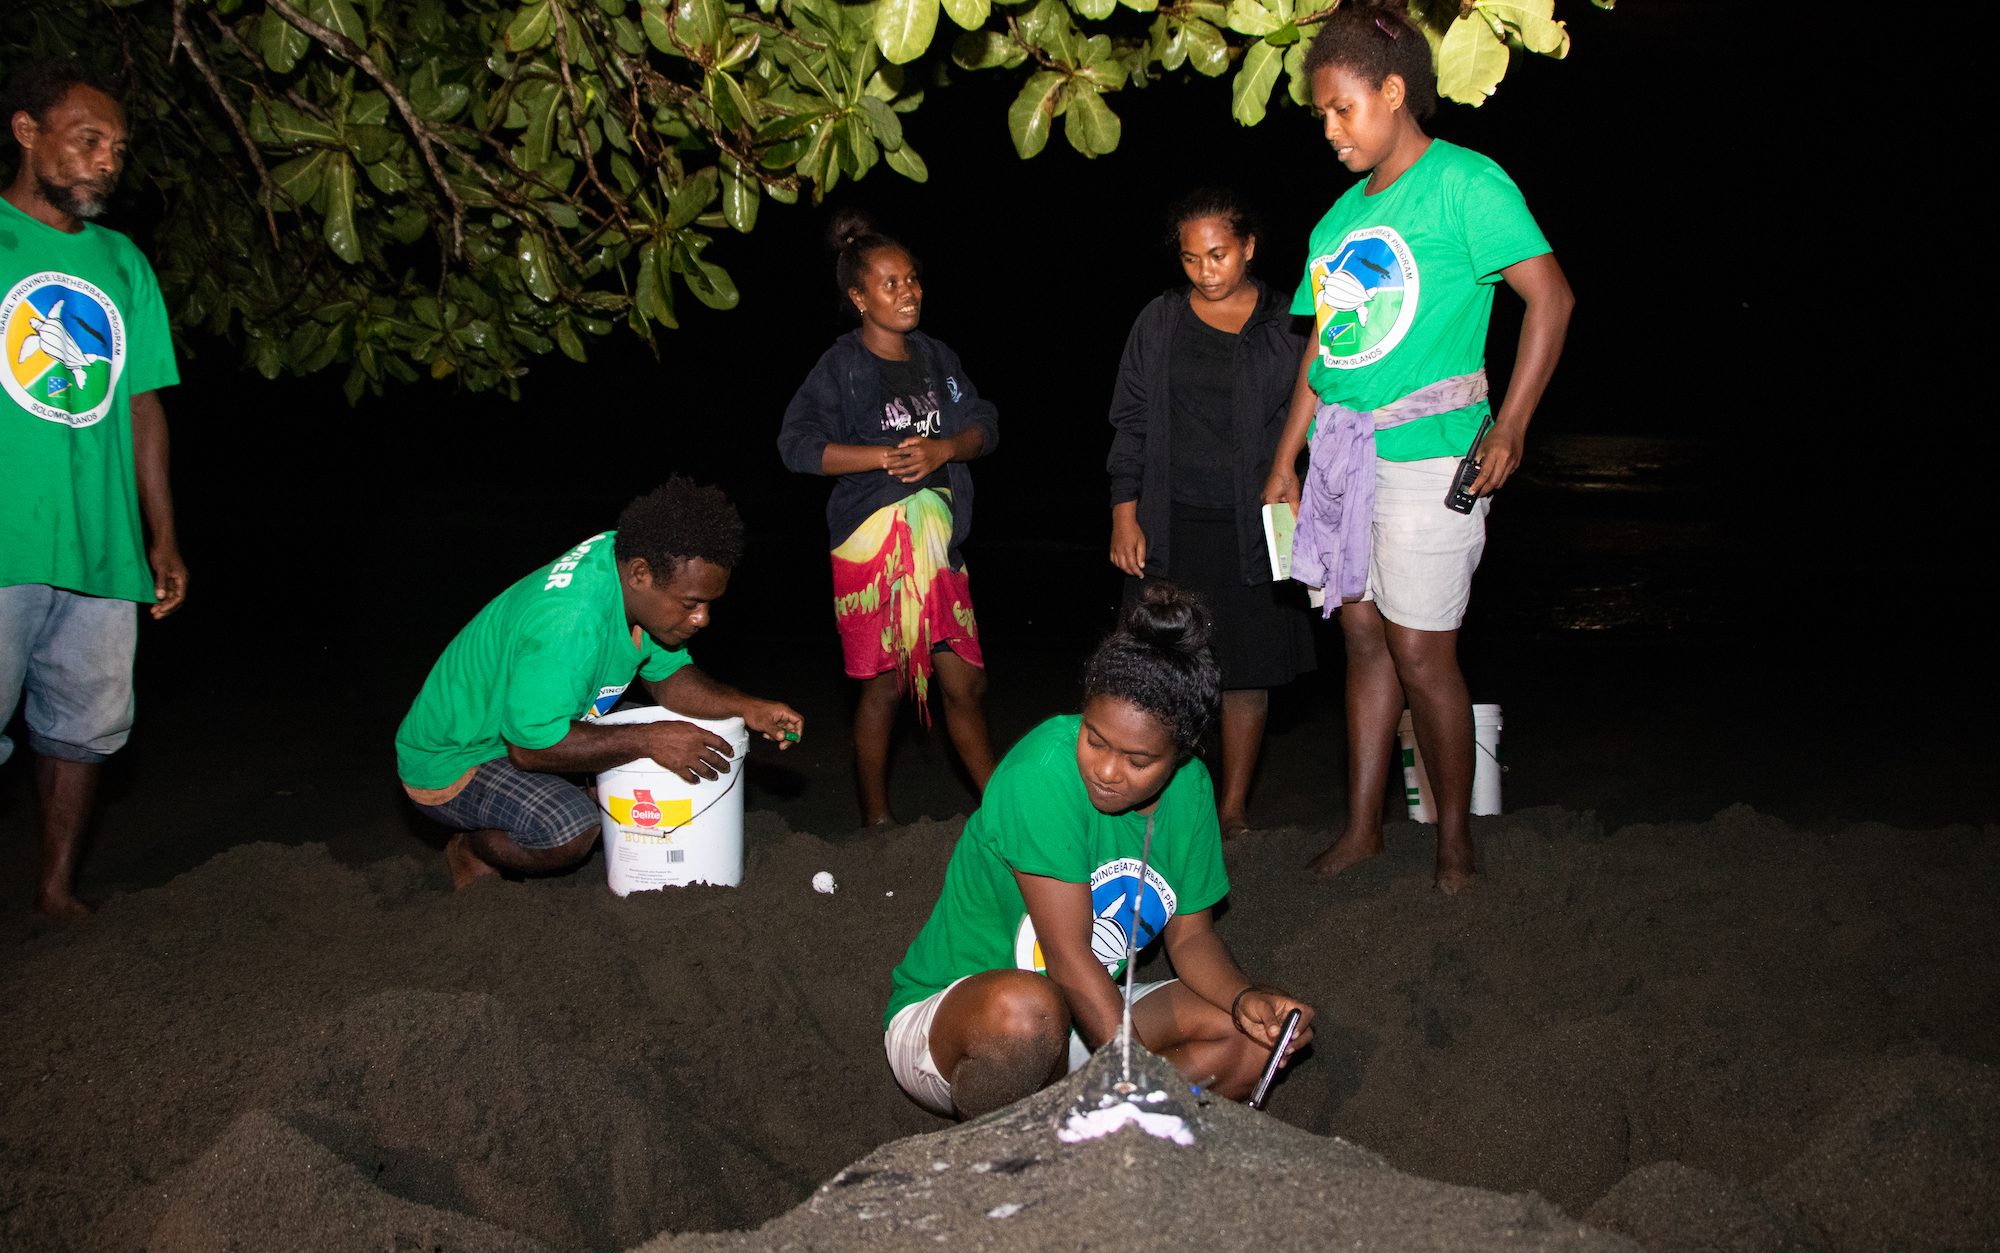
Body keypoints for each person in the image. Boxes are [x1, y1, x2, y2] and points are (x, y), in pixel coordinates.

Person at [1261, 1, 1574, 892]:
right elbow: (1323, 348)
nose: (1329, 128)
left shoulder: (1468, 184)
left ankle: (1453, 847)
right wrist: (1287, 459)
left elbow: (1550, 300)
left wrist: (1509, 424)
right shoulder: (1333, 222)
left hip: (1432, 456)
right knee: (1361, 643)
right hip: (1341, 460)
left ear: (1394, 93)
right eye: (1320, 114)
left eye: (1341, 108)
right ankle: (1362, 829)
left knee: (1422, 652)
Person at [883, 584, 1315, 1119]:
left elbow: (1194, 937)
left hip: (1084, 1019)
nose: (1107, 772)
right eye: (1095, 740)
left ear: (1182, 752)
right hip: (961, 1030)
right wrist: (1132, 1069)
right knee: (1028, 1011)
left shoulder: (1193, 789)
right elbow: (1067, 959)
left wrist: (1244, 998)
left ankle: (1079, 1121)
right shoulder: (1042, 776)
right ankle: (1020, 1148)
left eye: (1138, 761)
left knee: (1257, 1035)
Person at [395, 479, 804, 888]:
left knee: (667, 731)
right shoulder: (571, 622)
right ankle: (471, 850)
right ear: (640, 574)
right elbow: (529, 748)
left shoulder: (630, 568)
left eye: (709, 604)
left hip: (531, 722)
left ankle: (591, 786)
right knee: (570, 828)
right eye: (691, 604)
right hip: (454, 758)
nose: (702, 619)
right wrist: (650, 740)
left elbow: (670, 682)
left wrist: (749, 708)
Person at [1, 62, 187, 920]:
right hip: (8, 533)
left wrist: (163, 536)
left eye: (117, 149)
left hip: (102, 545)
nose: (107, 161)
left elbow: (143, 400)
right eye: (88, 140)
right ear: (26, 131)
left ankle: (55, 890)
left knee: (84, 729)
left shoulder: (122, 263)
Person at [777, 212, 999, 827]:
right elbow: (795, 445)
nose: (908, 293)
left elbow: (985, 424)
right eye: (889, 284)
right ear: (859, 297)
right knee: (885, 687)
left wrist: (945, 449)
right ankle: (877, 819)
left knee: (965, 683)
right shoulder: (840, 367)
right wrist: (880, 456)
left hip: (941, 542)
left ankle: (1000, 810)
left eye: (912, 280)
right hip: (871, 546)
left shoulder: (936, 358)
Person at [1107, 187, 1314, 839]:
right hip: (1172, 522)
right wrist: (1123, 510)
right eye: (1192, 259)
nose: (1205, 271)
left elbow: (1325, 411)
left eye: (1219, 254)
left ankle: (1232, 809)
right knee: (1160, 671)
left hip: (1254, 524)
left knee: (1248, 673)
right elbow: (1132, 417)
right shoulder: (1160, 320)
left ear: (1249, 247)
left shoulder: (1289, 322)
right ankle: (1166, 802)